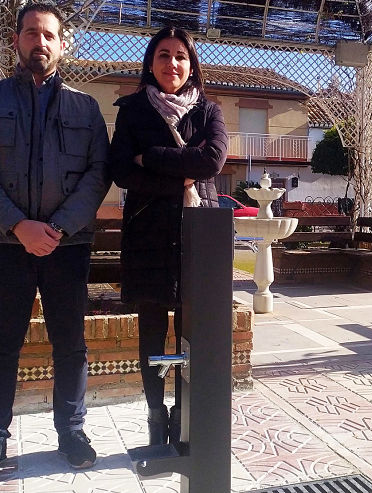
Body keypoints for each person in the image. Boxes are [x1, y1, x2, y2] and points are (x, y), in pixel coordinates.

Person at [0, 3, 110, 484]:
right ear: (16, 41)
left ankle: (72, 433)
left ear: (62, 44)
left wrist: (57, 228)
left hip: (68, 247)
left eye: (48, 35)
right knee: (1, 346)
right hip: (6, 245)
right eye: (30, 33)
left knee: (71, 345)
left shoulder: (86, 109)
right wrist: (19, 225)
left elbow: (97, 174)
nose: (39, 42)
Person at [109, 26, 228, 445]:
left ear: (191, 65)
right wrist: (179, 177)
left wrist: (152, 157)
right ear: (151, 62)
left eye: (181, 56)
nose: (172, 63)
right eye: (164, 54)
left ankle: (185, 415)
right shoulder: (133, 110)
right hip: (149, 235)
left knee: (193, 334)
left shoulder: (209, 111)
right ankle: (156, 416)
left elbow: (212, 161)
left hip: (199, 233)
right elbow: (122, 170)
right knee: (152, 332)